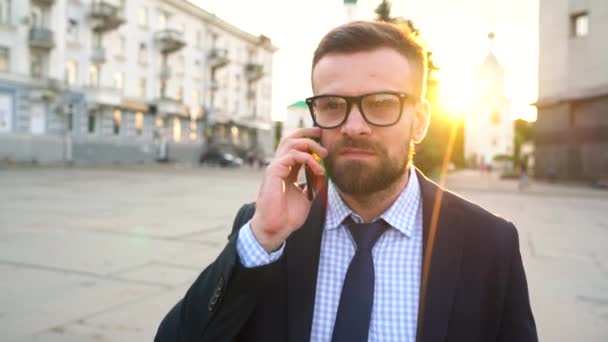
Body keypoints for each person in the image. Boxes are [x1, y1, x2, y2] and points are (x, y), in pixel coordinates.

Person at [155, 21, 537, 342]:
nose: (354, 127)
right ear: (315, 114)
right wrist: (261, 238)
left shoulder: (489, 244)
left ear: (419, 120)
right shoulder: (269, 230)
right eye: (334, 105)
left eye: (382, 103)